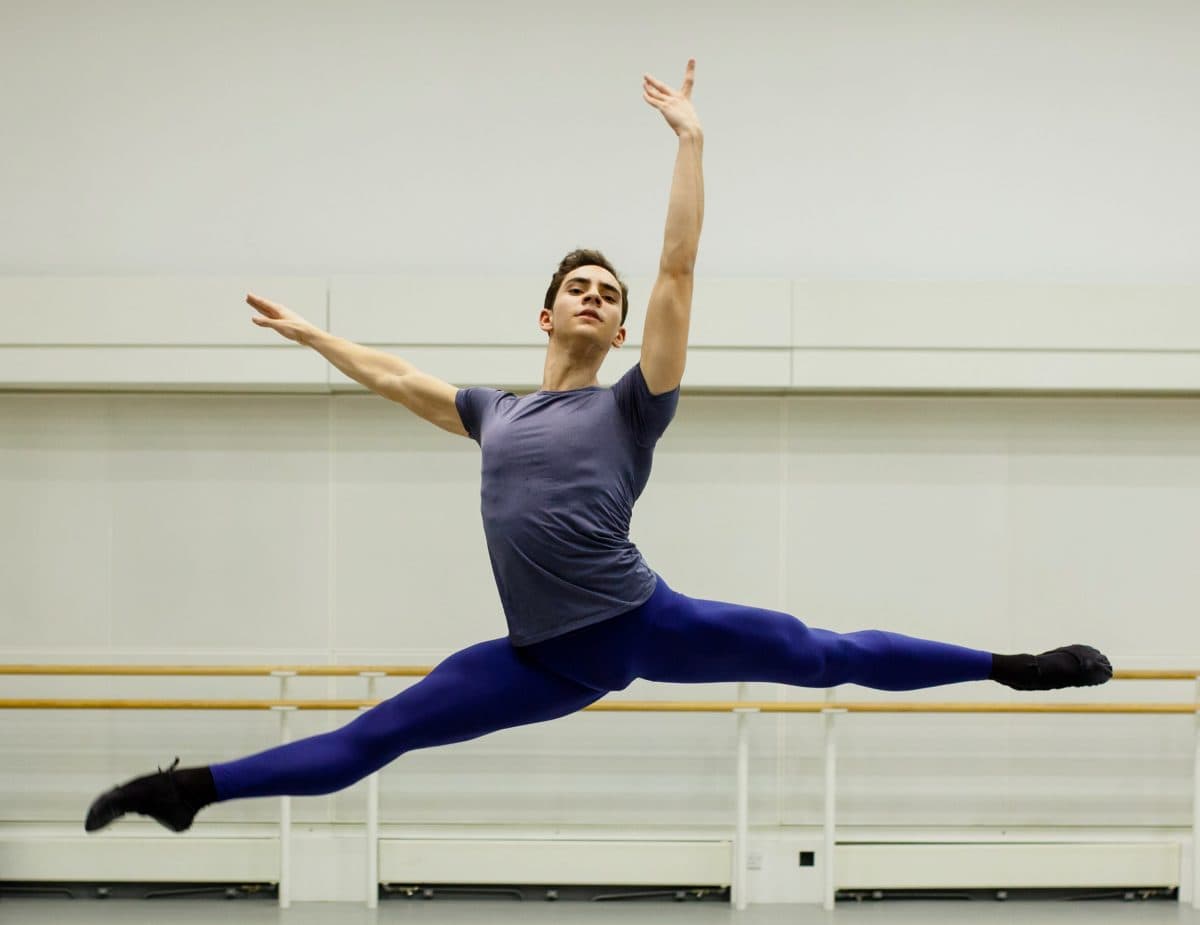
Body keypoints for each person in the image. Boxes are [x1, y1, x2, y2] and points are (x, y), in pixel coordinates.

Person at [85, 60, 1111, 834]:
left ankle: (1011, 664)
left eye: (608, 296)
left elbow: (676, 267)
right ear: (545, 312)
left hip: (636, 623)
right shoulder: (497, 410)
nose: (597, 295)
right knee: (375, 736)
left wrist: (690, 142)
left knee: (816, 652)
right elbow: (398, 379)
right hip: (537, 661)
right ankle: (187, 790)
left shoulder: (633, 405)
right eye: (580, 286)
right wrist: (313, 334)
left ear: (621, 331)